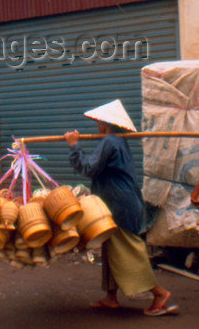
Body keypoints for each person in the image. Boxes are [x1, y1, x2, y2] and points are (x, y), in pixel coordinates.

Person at [65, 99, 178, 317]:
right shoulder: (118, 142)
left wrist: (74, 146)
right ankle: (110, 297)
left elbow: (88, 167)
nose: (97, 127)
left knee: (128, 251)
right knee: (111, 249)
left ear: (105, 125)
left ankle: (159, 294)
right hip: (121, 203)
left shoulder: (110, 142)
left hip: (121, 205)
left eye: (99, 122)